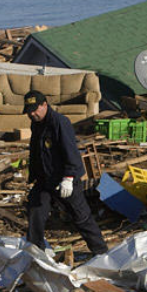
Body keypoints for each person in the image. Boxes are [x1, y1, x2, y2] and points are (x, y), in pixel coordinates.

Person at [23, 90, 108, 255]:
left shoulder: (60, 122)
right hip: (44, 179)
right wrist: (33, 175)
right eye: (29, 111)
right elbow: (36, 152)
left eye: (35, 109)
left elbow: (70, 151)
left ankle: (101, 252)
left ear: (44, 105)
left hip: (64, 179)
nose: (32, 114)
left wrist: (69, 177)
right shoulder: (36, 124)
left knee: (81, 217)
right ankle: (36, 251)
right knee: (36, 212)